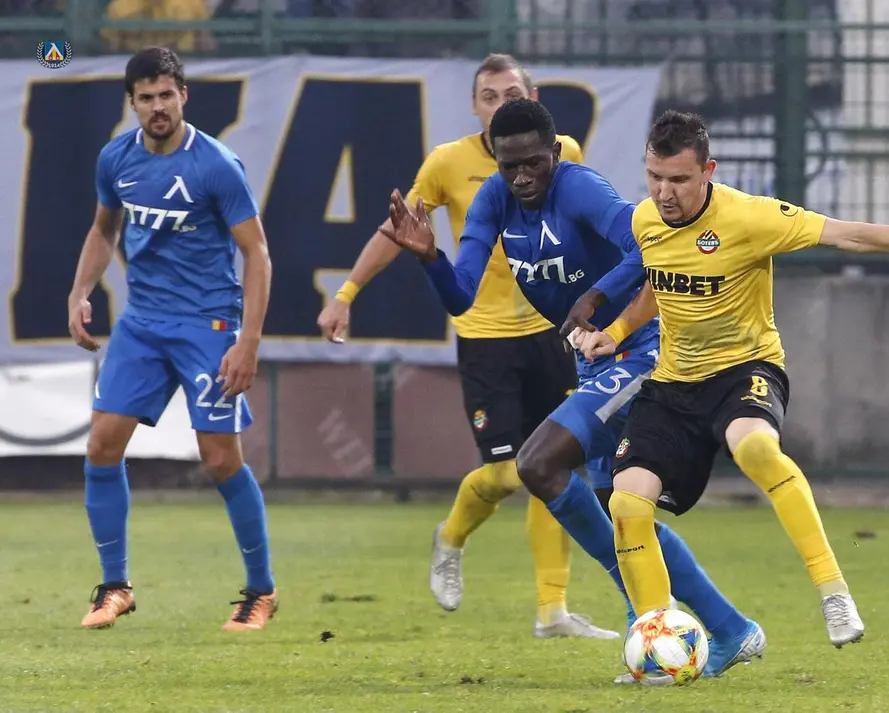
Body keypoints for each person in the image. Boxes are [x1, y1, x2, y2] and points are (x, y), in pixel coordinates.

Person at [570, 110, 889, 648]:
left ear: (708, 171)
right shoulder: (645, 220)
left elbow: (850, 235)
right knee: (626, 503)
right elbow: (661, 286)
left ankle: (833, 591)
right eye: (655, 177)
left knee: (755, 448)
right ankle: (658, 641)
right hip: (675, 381)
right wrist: (615, 331)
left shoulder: (751, 217)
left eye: (679, 179)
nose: (664, 192)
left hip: (745, 369)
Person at [380, 97, 765, 683]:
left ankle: (647, 614)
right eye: (509, 165)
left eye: (532, 162)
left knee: (538, 463)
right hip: (592, 361)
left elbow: (649, 247)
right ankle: (730, 629)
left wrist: (595, 299)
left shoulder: (580, 189)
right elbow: (461, 297)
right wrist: (431, 257)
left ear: (555, 153)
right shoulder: (493, 200)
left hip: (644, 347)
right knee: (621, 514)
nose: (521, 176)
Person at [316, 54, 616, 640]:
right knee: (506, 473)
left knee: (556, 466)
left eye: (511, 93)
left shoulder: (566, 155)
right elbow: (399, 230)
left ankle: (552, 611)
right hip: (485, 340)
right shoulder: (448, 163)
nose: (500, 104)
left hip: (550, 331)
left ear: (533, 101)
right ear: (475, 106)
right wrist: (346, 293)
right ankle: (451, 535)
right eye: (489, 96)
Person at [68, 47, 277, 631]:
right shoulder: (116, 159)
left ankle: (261, 591)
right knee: (101, 447)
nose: (157, 106)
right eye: (146, 98)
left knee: (220, 459)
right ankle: (115, 587)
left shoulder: (216, 165)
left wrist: (248, 341)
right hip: (142, 323)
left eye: (166, 95)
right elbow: (103, 229)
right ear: (132, 103)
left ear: (184, 96)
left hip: (208, 326)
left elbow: (257, 253)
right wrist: (80, 290)